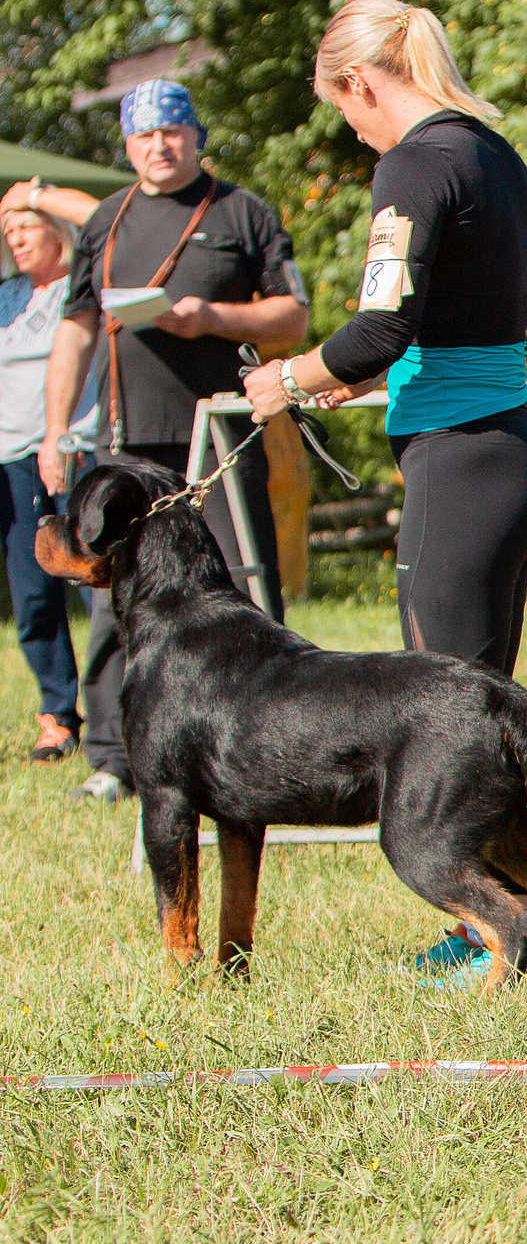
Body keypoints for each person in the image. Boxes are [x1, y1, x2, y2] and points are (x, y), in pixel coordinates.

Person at [243, 0, 527, 676]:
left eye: (343, 110)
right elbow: (463, 314)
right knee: (480, 708)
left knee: (439, 716)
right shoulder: (494, 154)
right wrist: (366, 372)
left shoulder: (412, 164)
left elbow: (380, 328)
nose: (354, 132)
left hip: (460, 462)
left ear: (358, 81)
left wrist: (288, 380)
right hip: (517, 450)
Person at [45, 80, 307, 803]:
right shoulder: (105, 220)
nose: (158, 147)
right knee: (109, 594)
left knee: (244, 588)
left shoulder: (243, 212)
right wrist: (54, 427)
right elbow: (74, 330)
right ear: (126, 145)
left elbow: (292, 318)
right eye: (142, 137)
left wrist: (213, 317)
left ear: (195, 135)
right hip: (128, 443)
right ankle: (113, 756)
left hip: (222, 435)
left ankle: (266, 736)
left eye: (171, 133)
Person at [0, 196, 94, 762]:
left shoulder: (80, 288)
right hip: (9, 460)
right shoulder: (5, 297)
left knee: (98, 584)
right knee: (32, 593)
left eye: (27, 226)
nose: (16, 238)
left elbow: (103, 223)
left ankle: (121, 709)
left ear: (56, 230)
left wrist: (34, 194)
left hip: (71, 451)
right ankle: (58, 715)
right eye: (8, 231)